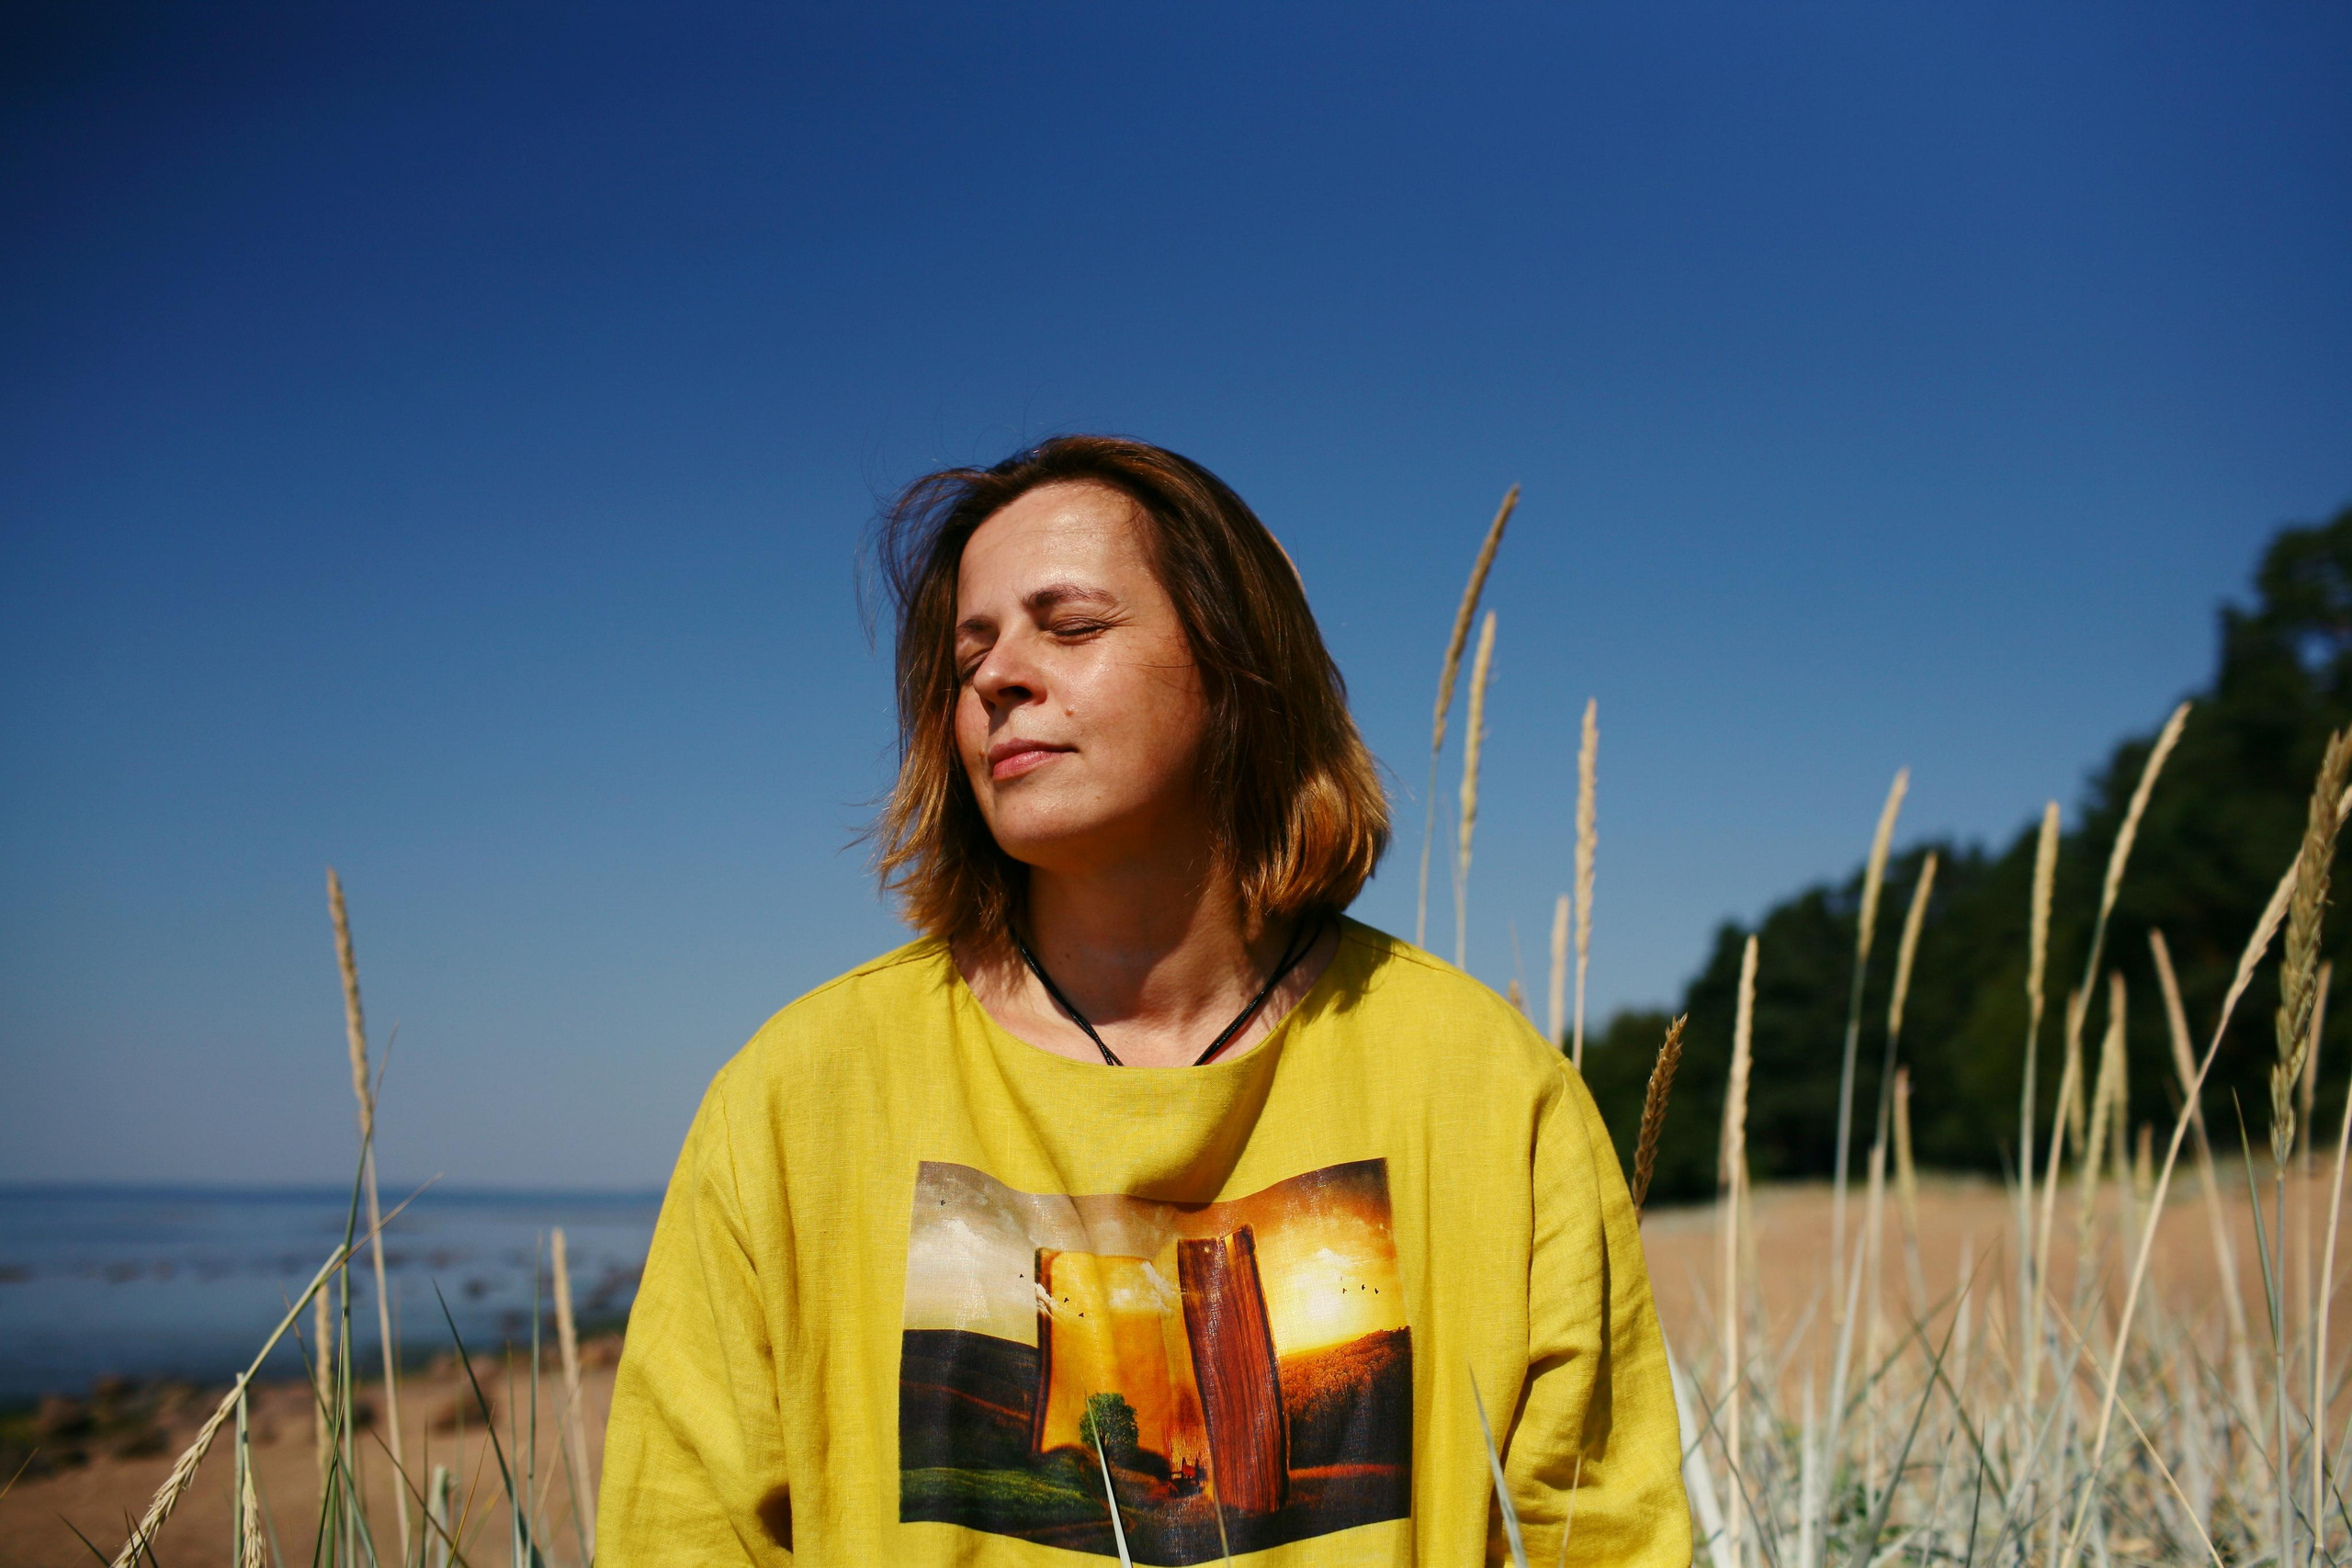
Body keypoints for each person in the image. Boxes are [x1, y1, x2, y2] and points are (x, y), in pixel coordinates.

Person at [598, 436, 1690, 1565]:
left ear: (1236, 669)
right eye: (970, 650)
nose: (995, 675)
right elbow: (683, 1530)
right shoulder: (799, 1096)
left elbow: (1596, 1532)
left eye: (1067, 626)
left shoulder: (1486, 1089)